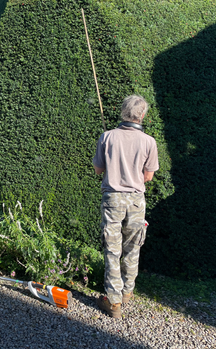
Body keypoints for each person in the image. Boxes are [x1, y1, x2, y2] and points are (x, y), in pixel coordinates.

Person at [93, 95, 159, 319]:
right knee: (133, 246)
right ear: (142, 115)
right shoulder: (149, 141)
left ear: (123, 112)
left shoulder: (107, 136)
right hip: (135, 200)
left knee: (112, 249)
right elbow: (148, 177)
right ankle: (128, 291)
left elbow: (98, 170)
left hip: (112, 199)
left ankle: (114, 302)